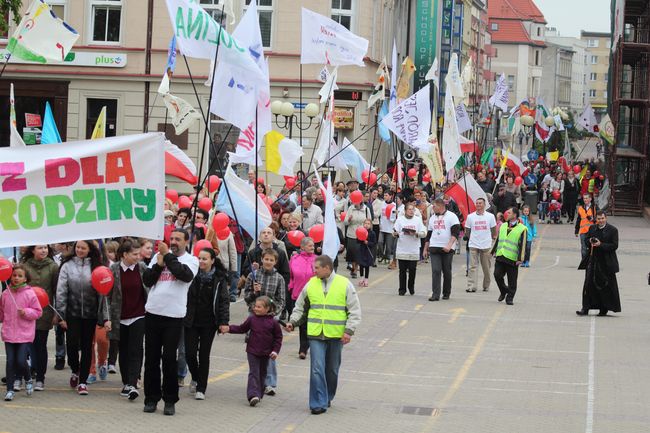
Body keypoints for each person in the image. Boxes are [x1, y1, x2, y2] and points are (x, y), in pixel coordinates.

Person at [285, 255, 361, 415]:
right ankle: (317, 403)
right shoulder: (311, 284)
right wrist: (292, 321)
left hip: (336, 335)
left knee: (332, 369)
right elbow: (300, 307)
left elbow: (355, 310)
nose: (314, 271)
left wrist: (348, 331)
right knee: (316, 368)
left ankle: (327, 396)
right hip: (315, 334)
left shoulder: (344, 284)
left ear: (327, 268)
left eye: (317, 268)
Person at [142, 229, 199, 416]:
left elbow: (184, 275)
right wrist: (158, 265)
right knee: (151, 359)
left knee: (168, 359)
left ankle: (169, 400)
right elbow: (148, 280)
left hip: (173, 316)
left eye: (177, 239)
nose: (173, 241)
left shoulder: (191, 260)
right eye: (171, 238)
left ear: (186, 241)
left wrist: (167, 256)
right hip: (153, 312)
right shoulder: (158, 257)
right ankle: (151, 398)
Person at [56, 240, 109, 396]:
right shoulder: (67, 265)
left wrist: (104, 316)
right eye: (77, 247)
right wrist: (61, 315)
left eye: (83, 248)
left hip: (90, 314)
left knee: (87, 347)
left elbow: (103, 293)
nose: (79, 250)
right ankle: (75, 370)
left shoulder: (96, 266)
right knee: (71, 344)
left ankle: (83, 382)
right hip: (72, 313)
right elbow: (61, 291)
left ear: (89, 249)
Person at [184, 248, 230, 400]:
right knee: (189, 353)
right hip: (191, 320)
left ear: (212, 260)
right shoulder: (191, 275)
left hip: (209, 322)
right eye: (199, 258)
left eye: (205, 259)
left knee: (204, 355)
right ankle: (196, 377)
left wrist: (223, 322)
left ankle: (201, 388)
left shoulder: (219, 278)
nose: (201, 261)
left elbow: (223, 301)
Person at [106, 238, 149, 401]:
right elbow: (106, 296)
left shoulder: (142, 268)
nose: (138, 257)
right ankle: (126, 382)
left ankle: (132, 382)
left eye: (139, 253)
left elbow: (149, 289)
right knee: (122, 350)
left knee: (136, 349)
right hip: (119, 317)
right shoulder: (113, 270)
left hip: (139, 315)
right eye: (134, 254)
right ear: (124, 254)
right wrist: (107, 318)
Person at [224, 296, 282, 407]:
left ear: (267, 309)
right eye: (255, 306)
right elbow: (242, 328)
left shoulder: (274, 322)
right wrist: (229, 328)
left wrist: (275, 351)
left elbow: (278, 338)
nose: (255, 308)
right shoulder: (252, 319)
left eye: (259, 307)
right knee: (253, 372)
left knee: (262, 373)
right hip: (252, 351)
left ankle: (259, 394)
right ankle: (252, 395)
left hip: (266, 353)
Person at [243, 248, 285, 397]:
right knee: (254, 351)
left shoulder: (279, 278)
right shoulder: (253, 276)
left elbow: (281, 300)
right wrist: (254, 293)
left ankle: (270, 382)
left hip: (270, 320)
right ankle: (255, 382)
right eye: (266, 259)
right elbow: (246, 297)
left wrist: (272, 312)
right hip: (255, 320)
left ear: (275, 262)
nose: (268, 262)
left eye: (271, 260)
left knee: (269, 351)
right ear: (261, 260)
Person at [1, 265, 42, 401]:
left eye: (20, 276)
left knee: (20, 360)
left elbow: (38, 312)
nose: (16, 278)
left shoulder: (29, 293)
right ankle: (10, 390)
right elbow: (2, 314)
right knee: (10, 361)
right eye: (14, 275)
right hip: (8, 333)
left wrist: (26, 312)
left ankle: (28, 378)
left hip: (24, 334)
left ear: (25, 278)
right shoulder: (6, 294)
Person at [21, 245, 59, 391]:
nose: (43, 250)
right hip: (27, 313)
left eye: (45, 248)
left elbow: (56, 291)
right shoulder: (25, 266)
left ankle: (40, 378)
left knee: (40, 345)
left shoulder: (53, 267)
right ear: (32, 250)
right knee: (27, 346)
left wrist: (56, 313)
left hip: (45, 312)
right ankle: (27, 373)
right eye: (40, 248)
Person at [576, 211, 621, 316]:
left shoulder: (613, 230)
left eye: (602, 218)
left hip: (606, 262)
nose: (600, 221)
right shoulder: (592, 228)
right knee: (588, 284)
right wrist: (590, 241)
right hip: (593, 260)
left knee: (604, 286)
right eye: (599, 219)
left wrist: (601, 244)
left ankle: (603, 308)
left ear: (606, 218)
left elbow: (614, 246)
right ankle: (585, 308)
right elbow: (586, 240)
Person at [423, 199, 461, 301]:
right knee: (436, 270)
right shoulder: (432, 218)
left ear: (440, 206)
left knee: (447, 271)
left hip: (447, 248)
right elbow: (429, 234)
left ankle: (446, 292)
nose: (432, 208)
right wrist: (425, 249)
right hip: (435, 246)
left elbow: (455, 233)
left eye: (434, 206)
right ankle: (435, 294)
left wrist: (449, 245)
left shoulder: (452, 216)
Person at [491, 207, 527, 305]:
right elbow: (498, 239)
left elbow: (523, 244)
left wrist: (521, 258)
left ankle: (510, 297)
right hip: (501, 255)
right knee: (497, 275)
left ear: (515, 215)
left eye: (509, 212)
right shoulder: (503, 225)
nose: (507, 214)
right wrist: (492, 251)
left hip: (512, 258)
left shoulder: (522, 228)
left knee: (512, 280)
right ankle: (503, 290)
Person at [288, 237, 316, 359]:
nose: (312, 247)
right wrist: (290, 286)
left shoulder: (317, 260)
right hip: (297, 293)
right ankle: (303, 348)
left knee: (310, 322)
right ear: (302, 247)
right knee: (302, 323)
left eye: (313, 245)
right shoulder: (294, 259)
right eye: (310, 245)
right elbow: (290, 275)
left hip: (313, 295)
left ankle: (306, 346)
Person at [393, 204, 428, 296]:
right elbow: (394, 231)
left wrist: (416, 234)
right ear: (405, 210)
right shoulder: (400, 219)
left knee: (412, 269)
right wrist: (395, 233)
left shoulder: (417, 220)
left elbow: (424, 232)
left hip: (413, 248)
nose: (411, 211)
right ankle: (402, 289)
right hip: (402, 248)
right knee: (402, 270)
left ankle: (411, 286)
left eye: (413, 209)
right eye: (409, 209)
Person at [464, 198, 497, 293]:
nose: (478, 204)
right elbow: (467, 230)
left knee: (486, 267)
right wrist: (472, 238)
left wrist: (489, 239)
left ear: (484, 204)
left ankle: (486, 285)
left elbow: (493, 230)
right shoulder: (470, 217)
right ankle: (471, 286)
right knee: (472, 266)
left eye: (480, 203)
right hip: (474, 244)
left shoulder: (490, 216)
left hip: (486, 244)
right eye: (477, 203)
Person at [344, 199, 371, 279]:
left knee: (358, 252)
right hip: (351, 233)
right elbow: (345, 222)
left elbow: (369, 220)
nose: (355, 202)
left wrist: (366, 227)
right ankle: (353, 267)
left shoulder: (366, 209)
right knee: (351, 252)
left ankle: (355, 269)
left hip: (361, 234)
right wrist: (349, 219)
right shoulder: (350, 208)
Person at [356, 219, 377, 288]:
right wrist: (361, 240)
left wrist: (368, 242)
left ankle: (366, 279)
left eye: (368, 224)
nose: (366, 225)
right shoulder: (361, 231)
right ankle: (361, 278)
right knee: (361, 265)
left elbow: (374, 243)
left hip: (368, 251)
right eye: (365, 223)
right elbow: (357, 240)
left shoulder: (372, 233)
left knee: (367, 265)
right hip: (362, 250)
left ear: (371, 225)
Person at [575, 193, 596, 260]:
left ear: (590, 199)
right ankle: (584, 261)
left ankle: (592, 261)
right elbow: (578, 219)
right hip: (583, 231)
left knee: (592, 247)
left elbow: (600, 218)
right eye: (584, 198)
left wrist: (593, 219)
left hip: (592, 231)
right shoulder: (581, 208)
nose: (585, 200)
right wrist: (576, 230)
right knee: (583, 247)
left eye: (586, 198)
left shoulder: (594, 207)